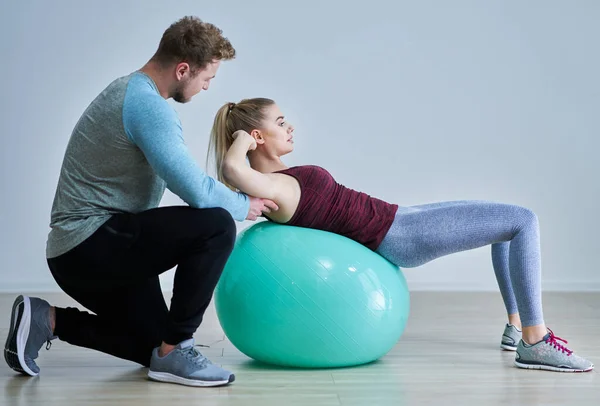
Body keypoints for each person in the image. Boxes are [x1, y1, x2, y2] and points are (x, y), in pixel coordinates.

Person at [206, 97, 594, 373]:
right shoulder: (277, 186)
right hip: (402, 234)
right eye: (279, 122)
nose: (289, 126)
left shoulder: (281, 179)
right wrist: (241, 142)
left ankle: (517, 327)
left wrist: (247, 141)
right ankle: (535, 340)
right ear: (257, 136)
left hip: (401, 217)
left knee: (507, 226)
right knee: (523, 220)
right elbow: (232, 170)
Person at [3, 17, 277, 387]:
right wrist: (246, 205)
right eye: (206, 78)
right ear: (183, 70)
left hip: (85, 251)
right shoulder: (147, 106)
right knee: (216, 224)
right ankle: (178, 348)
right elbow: (195, 190)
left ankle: (47, 319)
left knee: (151, 345)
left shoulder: (131, 94)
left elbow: (181, 182)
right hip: (90, 244)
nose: (207, 87)